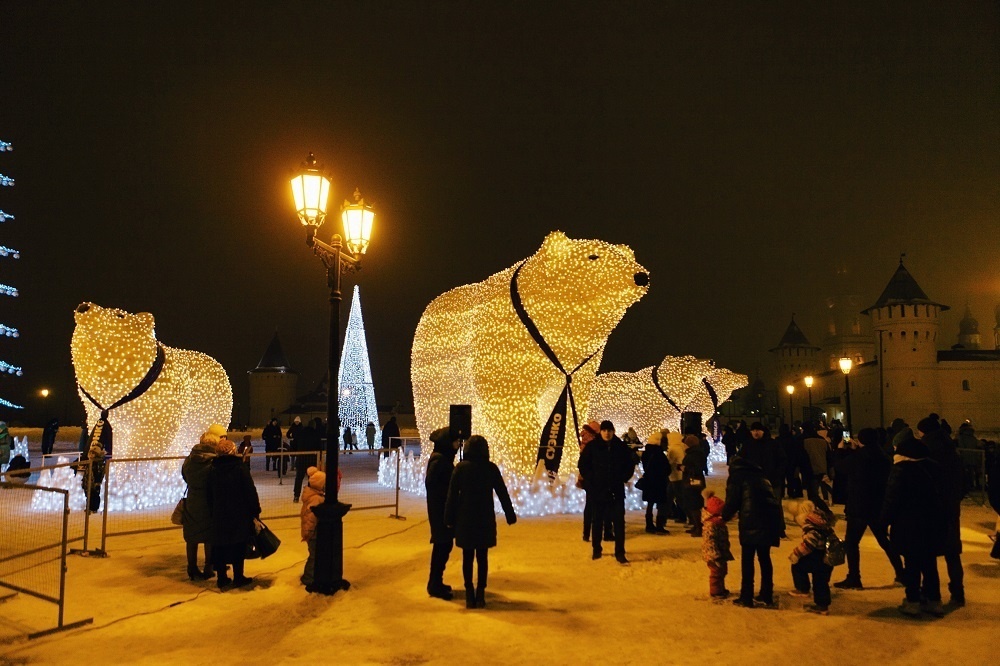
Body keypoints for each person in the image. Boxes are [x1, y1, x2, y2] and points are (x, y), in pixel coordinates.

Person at [444, 435, 516, 609]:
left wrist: (449, 518)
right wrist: (509, 513)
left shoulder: (460, 469)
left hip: (465, 518)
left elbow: (452, 496)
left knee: (467, 557)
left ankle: (469, 592)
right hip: (484, 518)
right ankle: (481, 593)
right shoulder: (490, 468)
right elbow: (502, 492)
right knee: (482, 557)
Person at [880, 432, 946, 617]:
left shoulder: (901, 470)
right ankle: (934, 600)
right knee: (929, 563)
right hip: (932, 523)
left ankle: (913, 601)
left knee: (912, 565)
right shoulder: (933, 467)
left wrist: (884, 521)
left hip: (908, 525)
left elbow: (892, 498)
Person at [832, 427, 903, 590]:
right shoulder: (884, 457)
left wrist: (841, 450)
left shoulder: (859, 457)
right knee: (884, 541)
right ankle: (901, 572)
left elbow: (840, 467)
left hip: (859, 506)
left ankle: (854, 577)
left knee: (852, 543)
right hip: (877, 505)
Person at [722, 454, 785, 608]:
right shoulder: (762, 476)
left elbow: (732, 500)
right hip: (769, 521)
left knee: (748, 559)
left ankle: (746, 596)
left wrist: (723, 516)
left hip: (751, 521)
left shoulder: (737, 476)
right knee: (764, 558)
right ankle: (766, 594)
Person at [918, 414, 965, 606]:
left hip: (933, 509)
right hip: (951, 508)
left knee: (928, 553)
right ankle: (958, 592)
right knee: (952, 553)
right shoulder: (951, 450)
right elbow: (963, 482)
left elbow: (925, 481)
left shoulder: (927, 451)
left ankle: (930, 593)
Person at [577, 420, 636, 563]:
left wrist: (623, 477)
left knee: (618, 522)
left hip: (615, 490)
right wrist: (591, 480)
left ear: (613, 431)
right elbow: (583, 465)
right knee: (597, 521)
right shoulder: (593, 447)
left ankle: (620, 552)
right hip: (598, 490)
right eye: (604, 430)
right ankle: (596, 549)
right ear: (601, 432)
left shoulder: (620, 447)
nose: (607, 433)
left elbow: (630, 464)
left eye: (609, 430)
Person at [208, 436, 261, 589]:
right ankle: (238, 576)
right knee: (238, 545)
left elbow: (209, 493)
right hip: (239, 513)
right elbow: (249, 490)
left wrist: (212, 509)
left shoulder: (213, 469)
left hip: (220, 514)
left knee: (220, 545)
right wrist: (255, 509)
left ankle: (222, 578)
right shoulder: (239, 468)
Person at [181, 425, 223, 580]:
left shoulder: (189, 460)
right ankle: (208, 567)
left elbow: (184, 475)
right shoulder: (214, 462)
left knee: (191, 536)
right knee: (209, 536)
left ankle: (191, 567)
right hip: (209, 501)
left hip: (193, 500)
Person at [425, 427, 460, 600]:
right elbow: (434, 486)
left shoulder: (442, 459)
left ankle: (436, 582)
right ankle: (434, 583)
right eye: (455, 442)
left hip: (442, 510)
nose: (458, 445)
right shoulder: (439, 461)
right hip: (441, 512)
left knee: (444, 545)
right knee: (442, 546)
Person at [788, 499, 836, 615]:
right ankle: (822, 605)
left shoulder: (811, 527)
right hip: (826, 558)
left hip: (817, 557)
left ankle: (803, 588)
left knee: (797, 565)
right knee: (821, 582)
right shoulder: (823, 524)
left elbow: (809, 545)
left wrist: (796, 553)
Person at [300, 465, 338, 588]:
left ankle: (312, 575)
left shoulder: (314, 496)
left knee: (315, 554)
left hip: (313, 532)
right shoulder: (315, 499)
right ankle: (308, 577)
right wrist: (309, 533)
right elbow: (310, 519)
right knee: (314, 556)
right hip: (313, 533)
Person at [578, 421, 613, 542]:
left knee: (590, 506)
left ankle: (587, 533)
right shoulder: (592, 444)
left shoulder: (585, 441)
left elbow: (582, 464)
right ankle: (604, 532)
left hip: (588, 479)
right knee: (601, 506)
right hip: (594, 480)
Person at [701, 489, 733, 599]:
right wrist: (715, 555)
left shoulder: (718, 523)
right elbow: (710, 542)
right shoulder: (711, 525)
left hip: (720, 552)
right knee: (716, 573)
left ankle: (720, 589)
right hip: (714, 555)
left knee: (722, 571)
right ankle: (715, 592)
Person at [639, 431, 670, 534]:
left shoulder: (645, 453)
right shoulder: (659, 454)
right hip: (659, 482)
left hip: (649, 481)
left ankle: (649, 525)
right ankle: (659, 525)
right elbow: (666, 468)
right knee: (661, 503)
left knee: (650, 503)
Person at [681, 431, 707, 537]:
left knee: (694, 504)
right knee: (693, 504)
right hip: (693, 480)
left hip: (694, 481)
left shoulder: (695, 454)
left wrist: (685, 468)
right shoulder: (695, 452)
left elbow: (697, 468)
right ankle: (696, 526)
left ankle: (699, 528)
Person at [293, 418, 323, 503]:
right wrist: (319, 458)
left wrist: (297, 452)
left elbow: (294, 444)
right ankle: (310, 495)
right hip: (312, 459)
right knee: (312, 479)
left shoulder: (301, 433)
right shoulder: (316, 434)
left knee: (299, 478)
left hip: (301, 458)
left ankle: (296, 495)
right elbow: (319, 447)